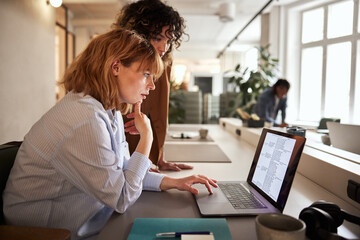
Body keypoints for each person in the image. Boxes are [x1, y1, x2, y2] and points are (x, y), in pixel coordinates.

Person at [3, 29, 217, 240]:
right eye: (146, 75)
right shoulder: (84, 119)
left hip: (91, 216)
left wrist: (170, 182)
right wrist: (147, 138)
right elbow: (122, 197)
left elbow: (124, 169)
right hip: (47, 232)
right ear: (116, 67)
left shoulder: (108, 109)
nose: (152, 85)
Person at [112, 0, 193, 172]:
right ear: (137, 34)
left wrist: (159, 157)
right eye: (157, 38)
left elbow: (159, 113)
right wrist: (136, 164)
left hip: (142, 155)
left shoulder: (164, 63)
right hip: (118, 158)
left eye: (169, 40)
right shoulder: (120, 62)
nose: (164, 47)